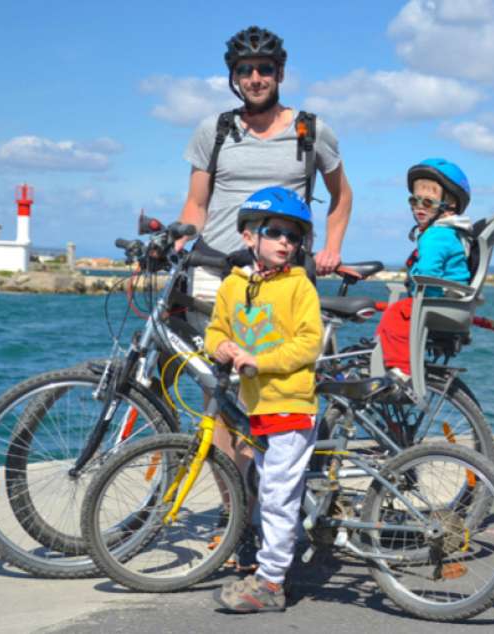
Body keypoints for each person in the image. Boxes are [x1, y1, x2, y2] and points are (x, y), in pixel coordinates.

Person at [177, 25, 352, 310]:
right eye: (245, 70)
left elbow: (342, 195)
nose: (255, 79)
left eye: (265, 70)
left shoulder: (310, 130)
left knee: (276, 353)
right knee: (201, 351)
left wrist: (332, 248)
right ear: (234, 77)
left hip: (282, 268)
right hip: (212, 264)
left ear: (280, 73)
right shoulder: (214, 130)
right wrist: (176, 238)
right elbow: (196, 205)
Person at [206, 186, 322, 613]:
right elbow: (217, 329)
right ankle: (269, 563)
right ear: (248, 236)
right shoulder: (234, 286)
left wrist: (262, 360)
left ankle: (271, 581)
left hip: (290, 401)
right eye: (275, 232)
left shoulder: (299, 287)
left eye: (294, 237)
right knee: (269, 486)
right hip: (256, 404)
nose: (285, 243)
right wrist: (219, 347)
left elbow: (309, 343)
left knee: (276, 493)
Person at [375, 158, 473, 379]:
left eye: (428, 203)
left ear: (451, 206)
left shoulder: (437, 236)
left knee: (395, 315)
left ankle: (402, 371)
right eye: (414, 201)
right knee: (395, 318)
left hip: (435, 299)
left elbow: (428, 272)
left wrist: (417, 287)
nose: (419, 207)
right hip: (447, 299)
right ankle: (393, 360)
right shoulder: (448, 233)